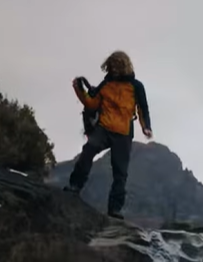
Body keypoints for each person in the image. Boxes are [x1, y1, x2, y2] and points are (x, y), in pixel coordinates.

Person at [65, 50, 153, 220]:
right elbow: (92, 103)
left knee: (120, 172)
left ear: (123, 66)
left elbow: (143, 108)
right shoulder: (106, 84)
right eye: (111, 66)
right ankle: (75, 186)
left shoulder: (136, 86)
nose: (113, 70)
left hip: (123, 133)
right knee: (88, 150)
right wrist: (78, 89)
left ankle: (115, 209)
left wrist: (146, 127)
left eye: (116, 66)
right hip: (104, 128)